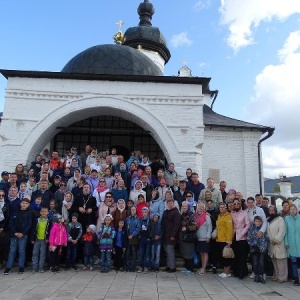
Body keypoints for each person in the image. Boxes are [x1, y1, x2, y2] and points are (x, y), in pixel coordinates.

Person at [3, 198, 32, 275]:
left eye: (26, 203)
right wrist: (15, 233)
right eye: (23, 203)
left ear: (28, 205)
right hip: (14, 235)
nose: (24, 204)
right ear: (20, 204)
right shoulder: (15, 212)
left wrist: (22, 233)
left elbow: (29, 225)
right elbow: (11, 223)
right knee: (12, 251)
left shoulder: (29, 213)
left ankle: (21, 267)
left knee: (21, 251)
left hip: (23, 235)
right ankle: (8, 267)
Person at [267, 205, 288, 283]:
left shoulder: (280, 219)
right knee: (274, 260)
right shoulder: (268, 219)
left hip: (279, 243)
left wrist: (276, 240)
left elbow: (282, 231)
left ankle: (283, 277)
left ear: (275, 211)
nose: (271, 212)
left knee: (281, 260)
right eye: (270, 210)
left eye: (273, 210)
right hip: (271, 243)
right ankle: (276, 275)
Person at [231, 198, 250, 279]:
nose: (236, 205)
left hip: (242, 237)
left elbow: (248, 225)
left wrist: (242, 233)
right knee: (236, 255)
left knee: (242, 256)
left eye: (237, 203)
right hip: (234, 236)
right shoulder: (231, 213)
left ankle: (242, 272)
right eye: (234, 204)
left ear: (240, 204)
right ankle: (236, 271)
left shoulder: (244, 213)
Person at [247, 216, 269, 284]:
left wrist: (264, 246)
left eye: (259, 221)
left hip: (262, 248)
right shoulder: (252, 229)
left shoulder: (263, 229)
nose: (257, 222)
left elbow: (267, 238)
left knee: (261, 262)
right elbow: (248, 238)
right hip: (255, 248)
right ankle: (256, 274)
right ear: (254, 222)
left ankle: (261, 274)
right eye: (256, 221)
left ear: (261, 222)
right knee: (255, 262)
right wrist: (253, 244)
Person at [162, 198, 181, 273]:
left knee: (170, 251)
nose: (170, 204)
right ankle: (168, 265)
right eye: (168, 203)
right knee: (167, 250)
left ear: (173, 204)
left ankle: (172, 267)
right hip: (165, 235)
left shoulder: (176, 213)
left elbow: (177, 224)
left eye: (171, 203)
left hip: (171, 235)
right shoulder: (166, 211)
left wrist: (173, 234)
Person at [179, 201, 198, 275]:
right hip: (183, 237)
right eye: (183, 206)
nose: (184, 208)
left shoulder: (191, 215)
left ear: (188, 207)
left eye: (185, 206)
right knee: (185, 252)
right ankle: (187, 267)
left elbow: (195, 226)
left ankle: (191, 269)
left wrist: (187, 228)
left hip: (189, 237)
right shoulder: (182, 215)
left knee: (189, 253)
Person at [215, 203, 233, 278]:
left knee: (226, 256)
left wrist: (229, 240)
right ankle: (224, 271)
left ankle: (227, 272)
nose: (222, 208)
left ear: (226, 208)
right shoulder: (219, 216)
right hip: (219, 239)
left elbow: (230, 229)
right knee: (222, 256)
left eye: (223, 207)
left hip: (225, 240)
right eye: (220, 207)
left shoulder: (228, 216)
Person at [31, 207, 50, 273]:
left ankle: (41, 267)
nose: (43, 213)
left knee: (43, 254)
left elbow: (50, 231)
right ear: (40, 212)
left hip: (44, 240)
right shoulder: (37, 220)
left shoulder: (49, 221)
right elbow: (33, 230)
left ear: (48, 212)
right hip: (37, 239)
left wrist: (48, 238)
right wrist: (32, 239)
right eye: (42, 211)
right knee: (35, 253)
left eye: (45, 211)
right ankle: (34, 267)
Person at [284, 204, 300, 286]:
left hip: (299, 242)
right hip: (291, 244)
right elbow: (285, 232)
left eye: (294, 209)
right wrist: (286, 242)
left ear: (297, 210)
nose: (292, 211)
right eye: (291, 209)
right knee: (293, 262)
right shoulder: (287, 219)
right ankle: (296, 278)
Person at [195, 202, 212, 275]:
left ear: (204, 208)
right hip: (199, 238)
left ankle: (204, 268)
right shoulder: (195, 216)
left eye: (202, 207)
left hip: (205, 238)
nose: (200, 208)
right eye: (199, 207)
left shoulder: (207, 216)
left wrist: (208, 236)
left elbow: (209, 227)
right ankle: (202, 267)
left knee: (205, 253)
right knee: (201, 253)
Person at [125, 206, 141, 272]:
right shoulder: (127, 218)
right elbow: (125, 227)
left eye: (134, 209)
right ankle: (127, 266)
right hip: (128, 237)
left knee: (134, 252)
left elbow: (138, 228)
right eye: (132, 210)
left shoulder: (138, 219)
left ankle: (133, 267)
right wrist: (128, 235)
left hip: (134, 237)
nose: (133, 211)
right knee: (128, 252)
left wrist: (133, 235)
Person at [137, 207, 151, 273]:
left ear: (147, 213)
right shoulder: (140, 220)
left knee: (147, 254)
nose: (144, 213)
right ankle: (141, 266)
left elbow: (151, 229)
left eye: (146, 212)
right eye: (143, 212)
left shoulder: (149, 220)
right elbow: (139, 228)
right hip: (142, 238)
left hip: (147, 238)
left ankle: (146, 267)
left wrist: (150, 237)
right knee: (141, 253)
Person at [0, 190, 10, 267]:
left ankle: (2, 261)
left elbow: (7, 218)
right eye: (0, 195)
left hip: (3, 227)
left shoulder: (6, 205)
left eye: (2, 195)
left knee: (3, 245)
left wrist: (2, 227)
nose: (1, 197)